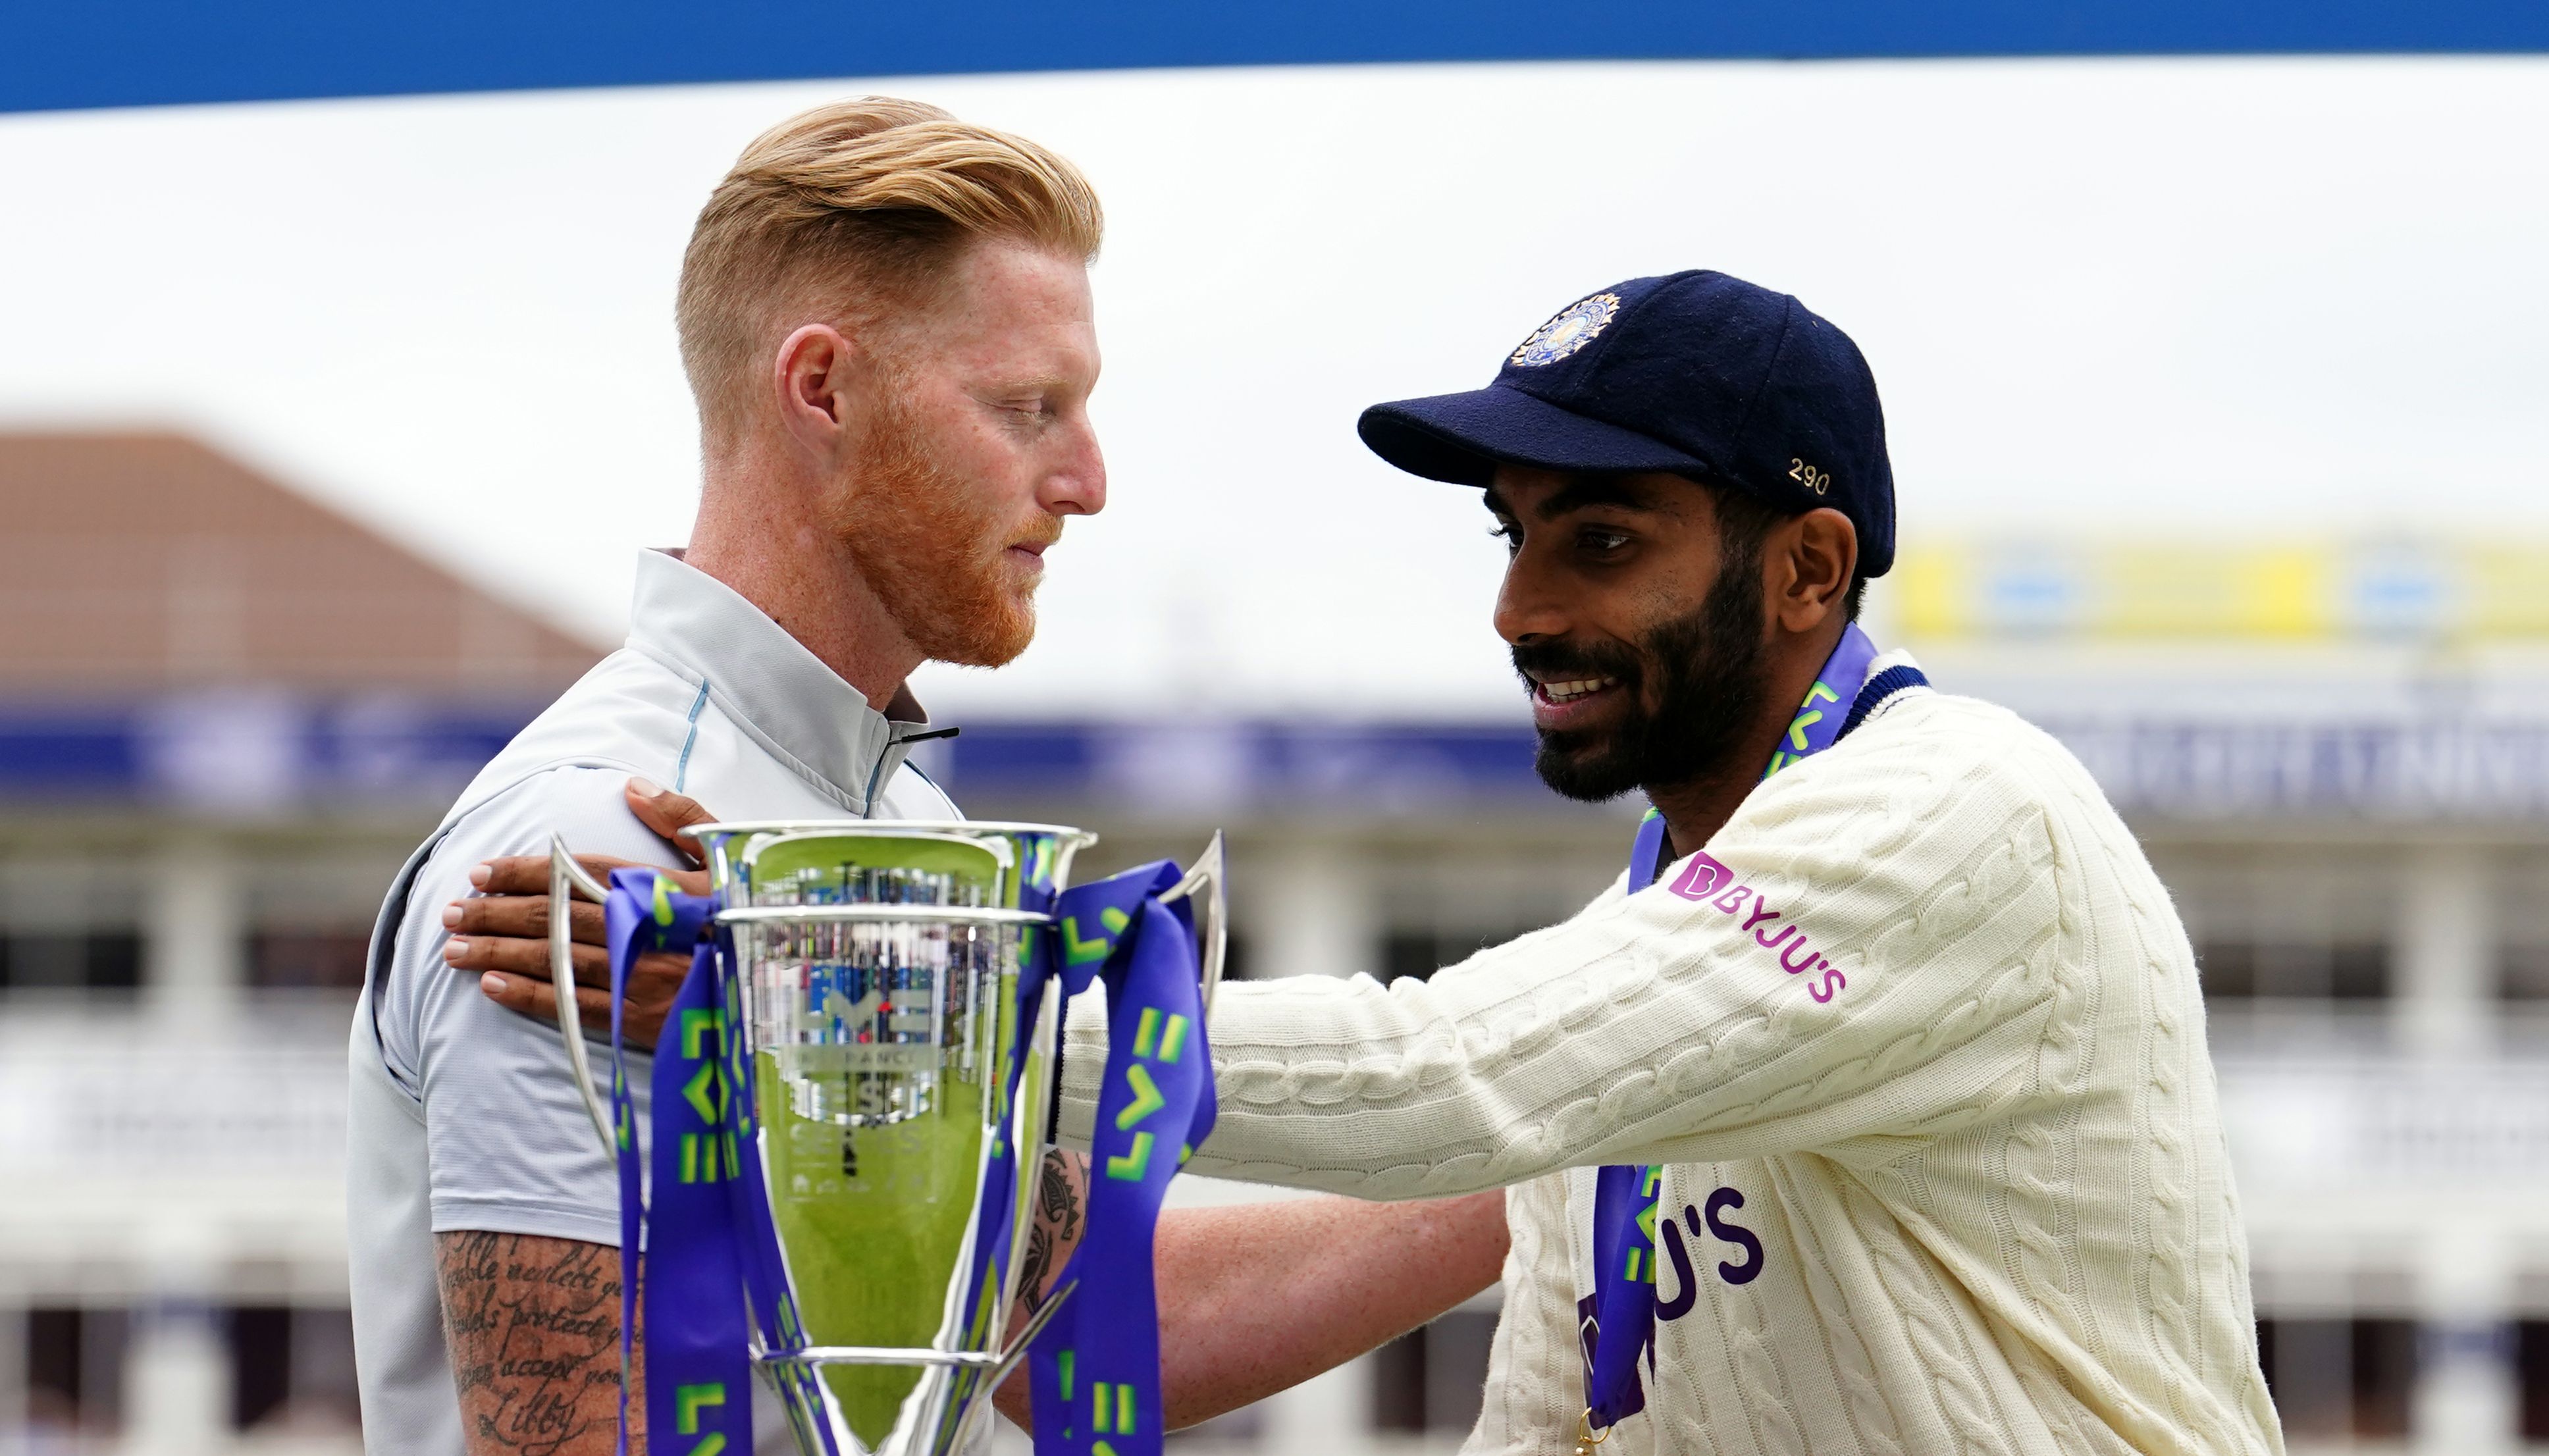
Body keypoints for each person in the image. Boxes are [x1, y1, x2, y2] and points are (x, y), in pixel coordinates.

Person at [475, 273, 2282, 1453]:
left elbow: (1448, 1068)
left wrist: (864, 986)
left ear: (1811, 569)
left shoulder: (1963, 812)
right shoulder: (1658, 949)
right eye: (1512, 538)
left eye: (1601, 537)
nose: (1523, 606)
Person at [349, 95, 1504, 1456]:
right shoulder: (599, 834)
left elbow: (1059, 1327)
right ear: (823, 386)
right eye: (1030, 407)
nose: (1087, 480)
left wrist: (1560, 1171)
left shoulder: (906, 817)